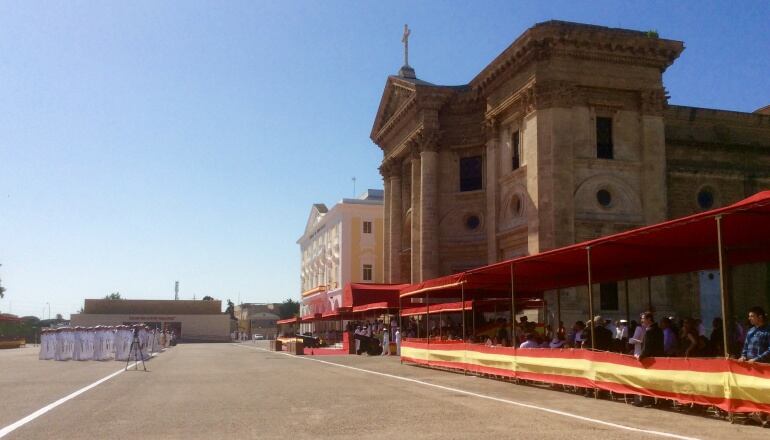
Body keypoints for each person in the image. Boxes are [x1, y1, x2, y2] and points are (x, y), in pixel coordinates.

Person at [633, 311, 663, 407]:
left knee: (648, 381)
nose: (642, 320)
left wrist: (640, 357)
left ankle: (648, 400)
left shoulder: (650, 331)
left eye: (643, 318)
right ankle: (659, 401)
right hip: (659, 358)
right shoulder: (658, 330)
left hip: (651, 360)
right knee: (657, 381)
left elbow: (647, 348)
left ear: (649, 319)